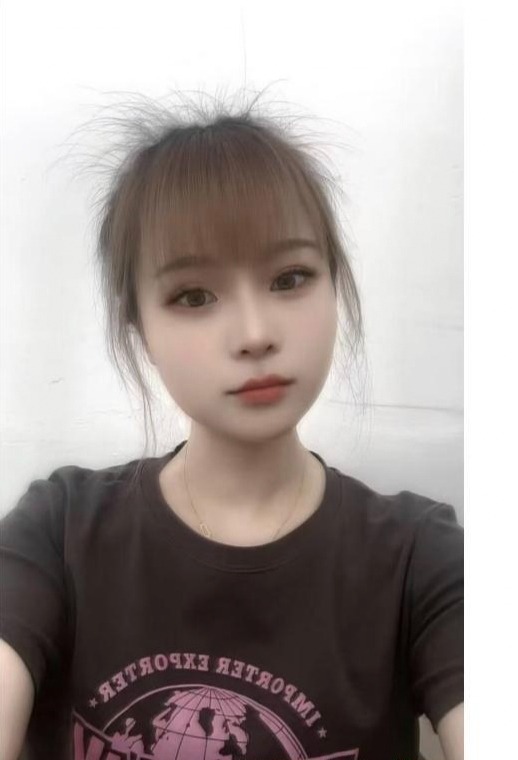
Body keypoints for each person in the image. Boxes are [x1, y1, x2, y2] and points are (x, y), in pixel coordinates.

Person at [0, 90, 463, 760]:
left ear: (335, 285)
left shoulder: (420, 560)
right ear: (140, 328)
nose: (253, 333)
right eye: (194, 295)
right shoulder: (59, 533)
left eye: (290, 278)